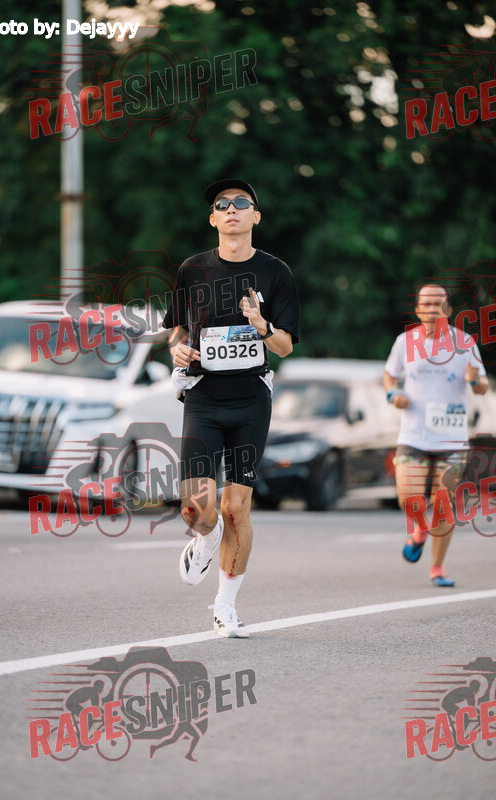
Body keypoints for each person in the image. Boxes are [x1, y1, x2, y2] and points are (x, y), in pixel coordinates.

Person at [162, 179, 300, 637]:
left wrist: (261, 324)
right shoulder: (193, 269)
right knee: (197, 511)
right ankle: (207, 538)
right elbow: (176, 329)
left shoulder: (275, 272)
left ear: (256, 216)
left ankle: (225, 605)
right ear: (213, 219)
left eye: (242, 203)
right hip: (203, 398)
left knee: (236, 507)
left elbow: (285, 346)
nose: (231, 209)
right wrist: (178, 348)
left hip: (250, 401)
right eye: (222, 205)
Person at [383, 284, 488, 586]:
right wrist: (393, 395)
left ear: (448, 309)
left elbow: (482, 387)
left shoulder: (465, 343)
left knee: (444, 504)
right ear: (417, 310)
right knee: (407, 498)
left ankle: (438, 568)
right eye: (426, 304)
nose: (432, 309)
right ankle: (419, 530)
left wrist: (474, 380)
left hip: (451, 437)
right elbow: (389, 375)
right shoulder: (405, 342)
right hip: (413, 434)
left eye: (438, 303)